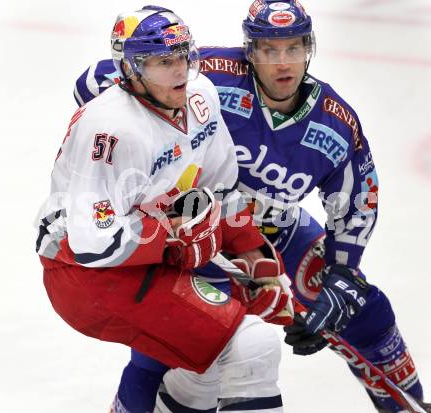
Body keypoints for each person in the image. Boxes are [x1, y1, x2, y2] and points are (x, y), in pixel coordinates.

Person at [74, 2, 430, 412]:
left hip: (273, 230)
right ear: (250, 51)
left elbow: (357, 198)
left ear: (309, 49)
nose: (284, 62)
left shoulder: (333, 122)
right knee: (172, 345)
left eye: (294, 48)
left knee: (363, 311)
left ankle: (408, 406)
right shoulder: (207, 75)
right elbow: (95, 82)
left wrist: (342, 272)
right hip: (194, 229)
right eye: (269, 50)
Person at [36, 5, 298, 412]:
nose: (180, 71)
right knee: (251, 345)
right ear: (131, 69)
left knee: (202, 363)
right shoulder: (110, 129)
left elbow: (220, 188)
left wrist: (256, 257)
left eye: (183, 56)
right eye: (163, 62)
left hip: (147, 259)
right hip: (85, 277)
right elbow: (90, 240)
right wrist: (172, 237)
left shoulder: (201, 98)